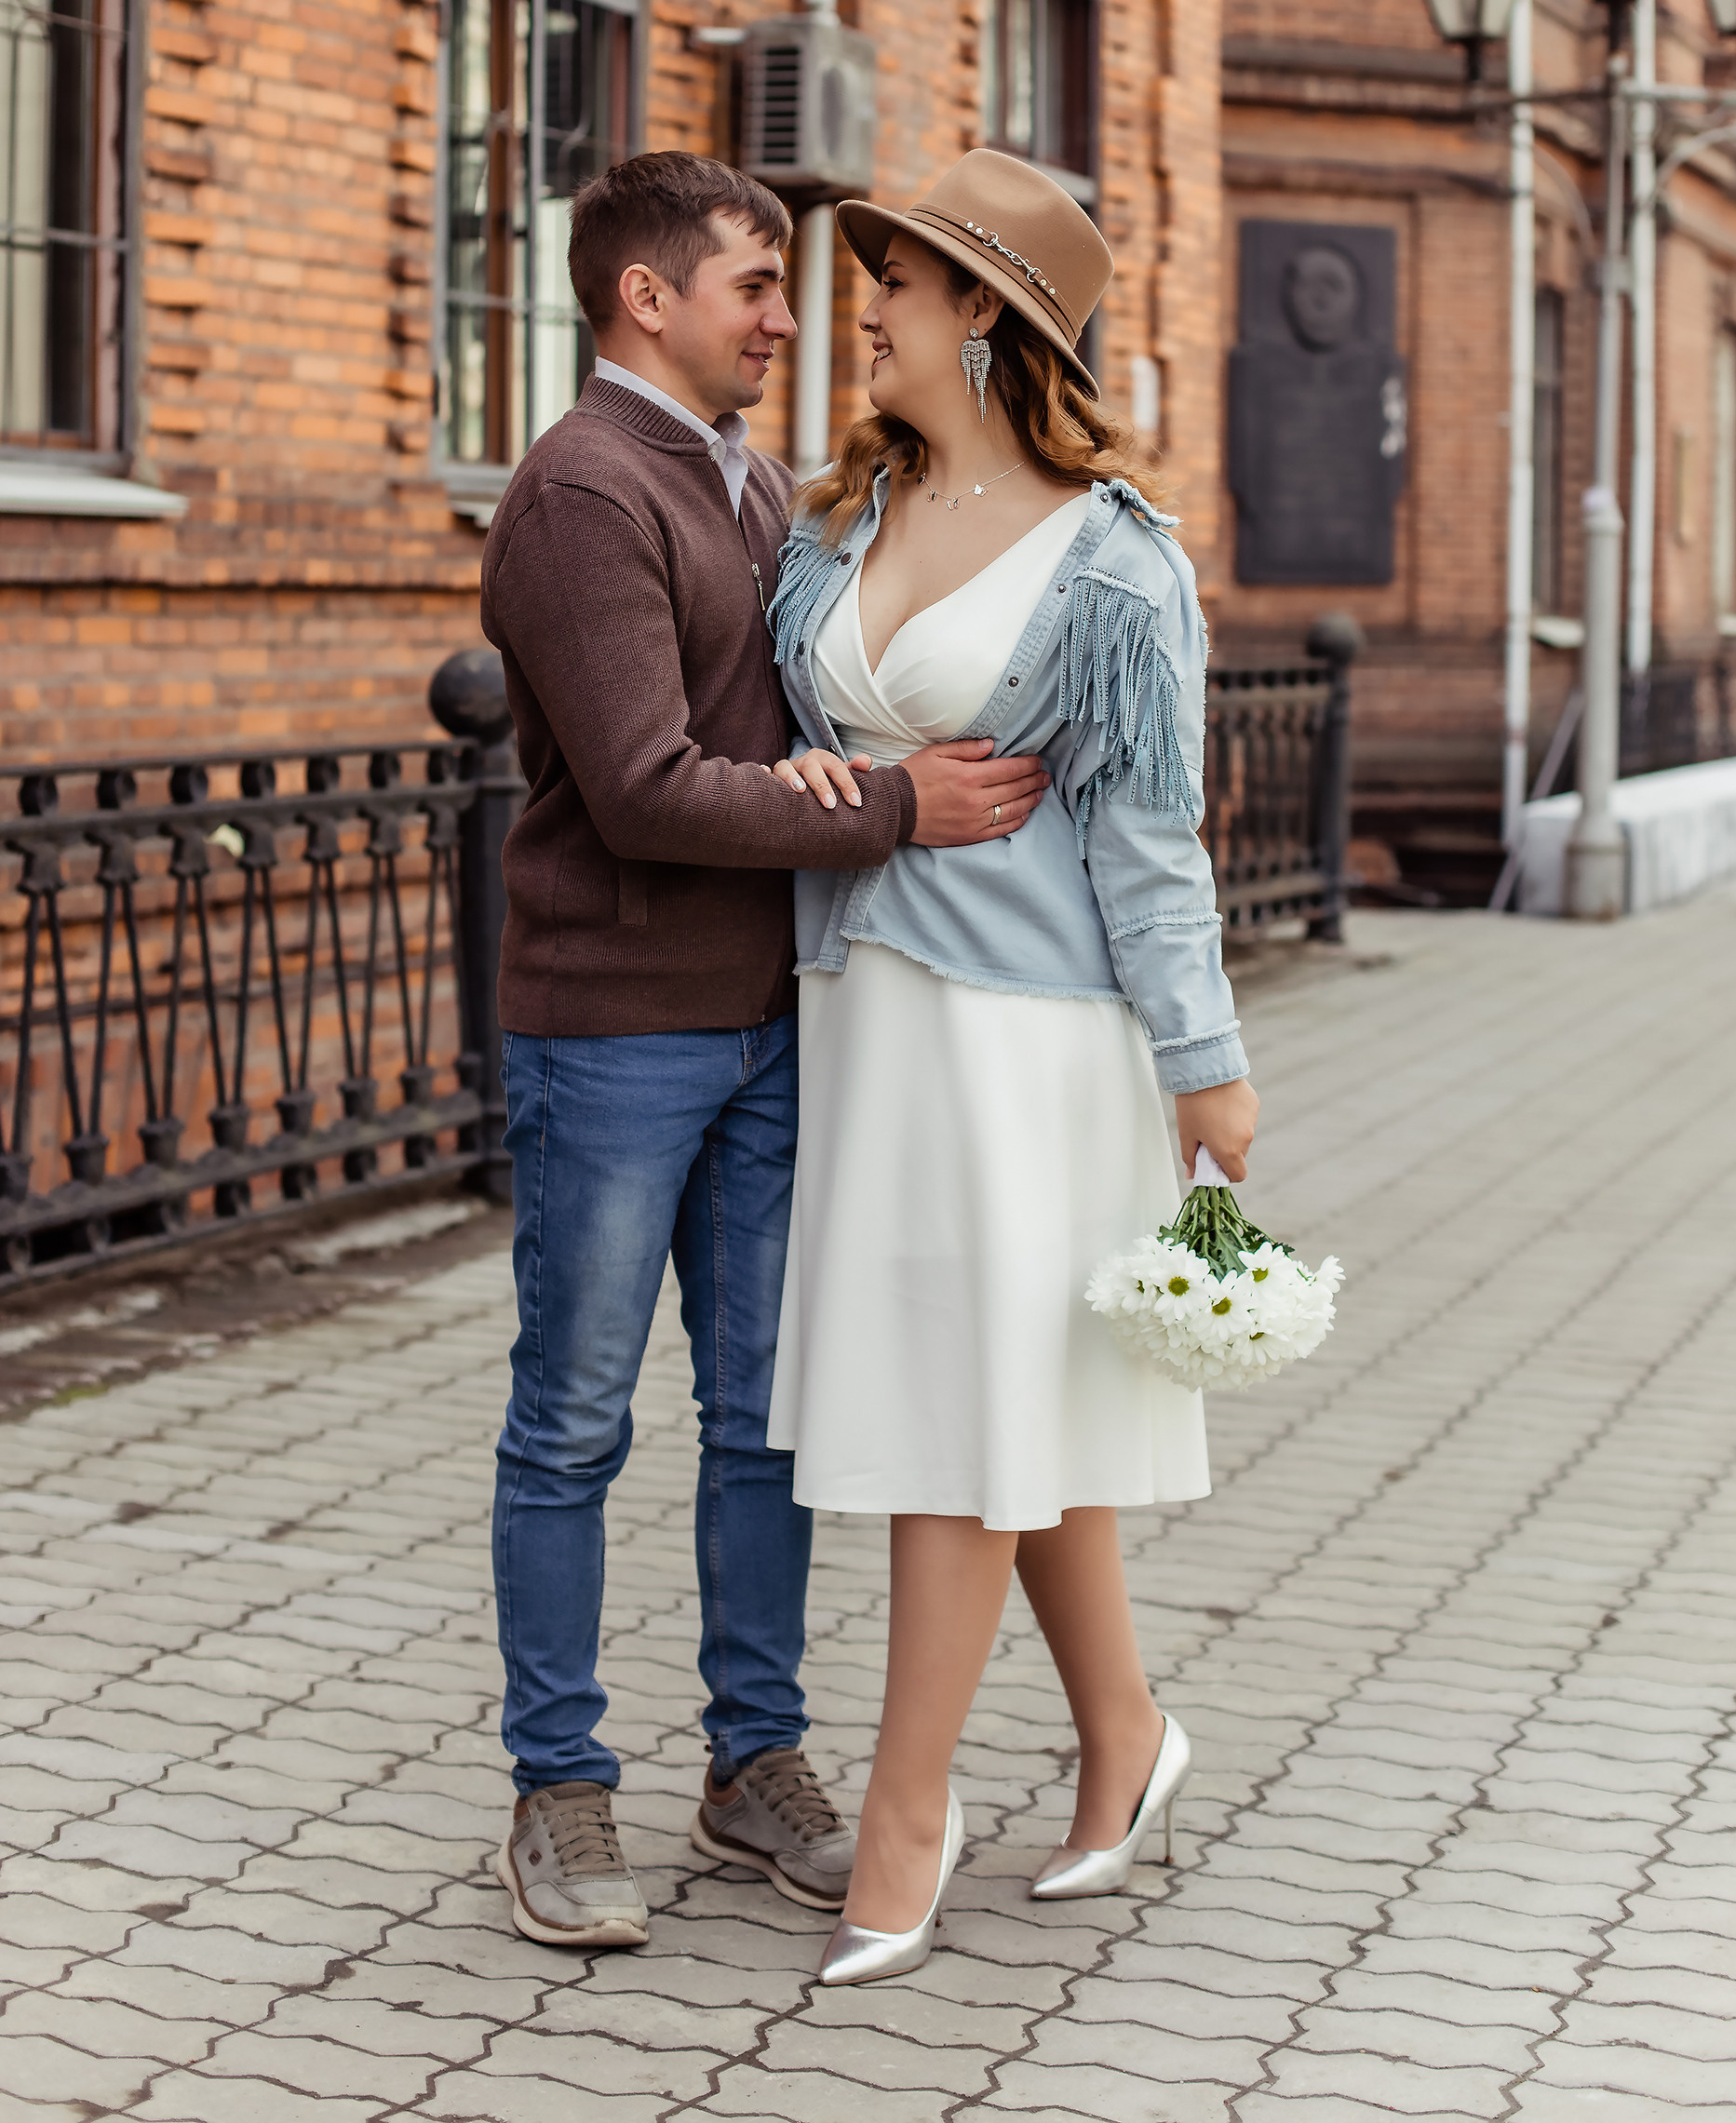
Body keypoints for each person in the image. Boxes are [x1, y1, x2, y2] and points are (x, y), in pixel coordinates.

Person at [477, 151, 1049, 1950]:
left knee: (760, 1423)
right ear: (645, 297)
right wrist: (888, 805)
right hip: (620, 1028)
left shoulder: (739, 481)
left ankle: (752, 1764)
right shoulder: (583, 490)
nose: (789, 317)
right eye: (754, 285)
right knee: (572, 1421)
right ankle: (559, 1786)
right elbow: (644, 789)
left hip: (768, 1021)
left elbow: (768, 719)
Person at [762, 146, 1258, 1985]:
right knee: (1001, 1406)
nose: (859, 298)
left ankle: (910, 1803)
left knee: (958, 1428)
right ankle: (1124, 1729)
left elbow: (1146, 838)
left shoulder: (1112, 563)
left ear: (984, 311)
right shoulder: (828, 527)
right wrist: (815, 783)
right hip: (871, 1021)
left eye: (892, 271)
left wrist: (1202, 1062)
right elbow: (791, 743)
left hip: (1029, 1046)